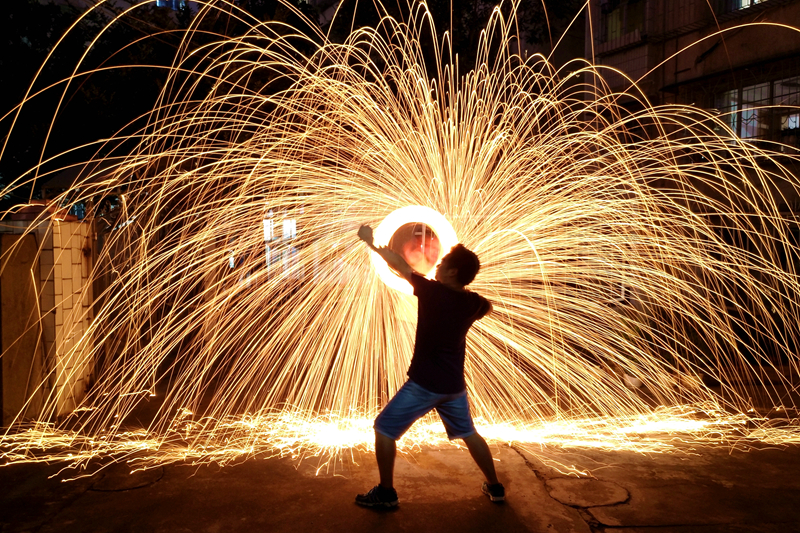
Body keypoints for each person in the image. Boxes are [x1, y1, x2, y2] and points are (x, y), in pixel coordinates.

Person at [355, 224, 504, 508]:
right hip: (454, 388)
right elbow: (488, 308)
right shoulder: (473, 302)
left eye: (444, 263)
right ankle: (496, 487)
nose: (438, 264)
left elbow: (398, 265)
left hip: (425, 385)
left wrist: (372, 244)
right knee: (470, 434)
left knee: (384, 429)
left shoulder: (432, 292)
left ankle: (386, 494)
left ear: (452, 273)